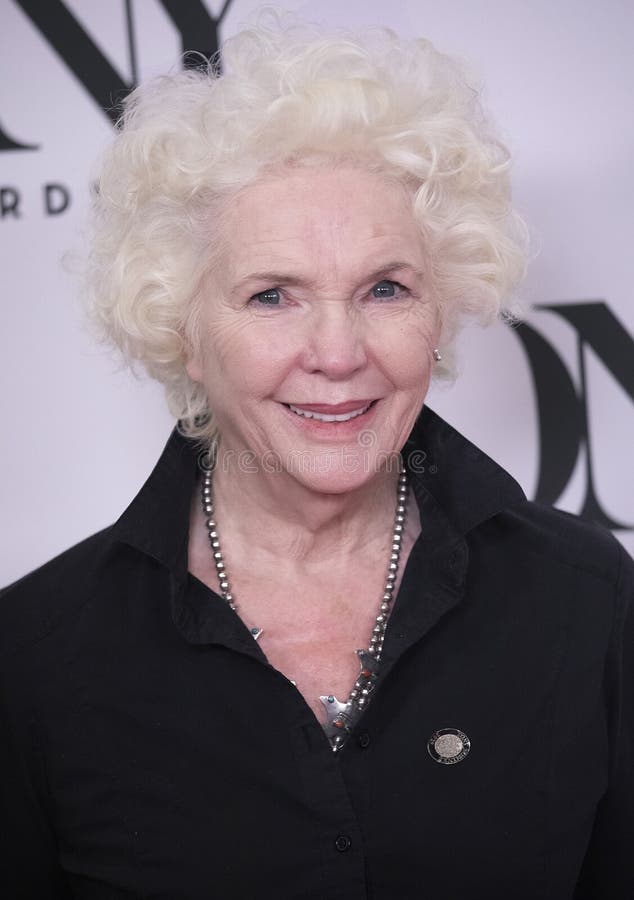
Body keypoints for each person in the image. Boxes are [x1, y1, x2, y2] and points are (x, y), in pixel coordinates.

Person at [1, 12, 632, 900]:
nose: (338, 355)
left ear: (441, 308)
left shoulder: (587, 602)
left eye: (385, 288)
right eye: (271, 296)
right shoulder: (34, 657)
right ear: (183, 328)